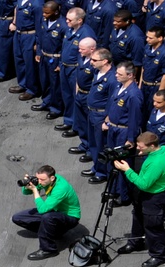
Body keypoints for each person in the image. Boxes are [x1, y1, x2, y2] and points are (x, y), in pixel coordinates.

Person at [113, 130, 165, 267]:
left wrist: (127, 170)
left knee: (153, 227)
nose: (138, 149)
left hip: (153, 197)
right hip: (147, 194)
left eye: (141, 147)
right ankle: (136, 242)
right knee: (138, 216)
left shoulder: (156, 163)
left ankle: (158, 255)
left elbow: (144, 184)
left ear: (152, 146)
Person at [11, 164, 82, 260]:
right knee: (18, 218)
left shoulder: (61, 188)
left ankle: (48, 249)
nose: (39, 182)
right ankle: (52, 232)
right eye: (37, 178)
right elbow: (26, 192)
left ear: (52, 178)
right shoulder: (46, 180)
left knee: (47, 217)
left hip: (69, 217)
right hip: (54, 211)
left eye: (42, 180)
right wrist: (27, 185)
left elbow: (42, 209)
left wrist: (35, 191)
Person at [102, 61, 144, 200]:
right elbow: (112, 104)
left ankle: (124, 195)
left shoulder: (134, 95)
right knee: (112, 160)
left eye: (120, 74)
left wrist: (131, 139)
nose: (116, 76)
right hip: (113, 128)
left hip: (124, 132)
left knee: (122, 163)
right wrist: (107, 119)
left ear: (130, 75)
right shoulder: (119, 86)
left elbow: (134, 118)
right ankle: (113, 189)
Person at [57, 8, 95, 132]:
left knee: (76, 97)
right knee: (67, 95)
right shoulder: (69, 29)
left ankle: (77, 126)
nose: (66, 21)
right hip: (65, 66)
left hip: (76, 69)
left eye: (70, 19)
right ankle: (69, 120)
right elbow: (64, 47)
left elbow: (88, 56)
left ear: (79, 20)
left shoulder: (86, 33)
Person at [82, 48, 117, 183]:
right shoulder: (97, 72)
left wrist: (107, 120)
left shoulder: (112, 79)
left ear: (105, 61)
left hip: (101, 115)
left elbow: (112, 101)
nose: (91, 62)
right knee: (93, 143)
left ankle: (102, 172)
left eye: (94, 60)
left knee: (101, 144)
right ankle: (96, 166)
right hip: (92, 112)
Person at [32, 2, 65, 118]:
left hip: (55, 58)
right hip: (44, 56)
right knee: (45, 81)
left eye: (47, 12)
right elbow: (40, 37)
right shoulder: (44, 20)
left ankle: (56, 108)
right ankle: (46, 102)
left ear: (56, 12)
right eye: (43, 12)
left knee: (55, 84)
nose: (44, 15)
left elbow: (64, 47)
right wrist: (38, 52)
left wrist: (61, 64)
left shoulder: (63, 26)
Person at [10, 0, 42, 101]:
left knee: (30, 64)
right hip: (19, 33)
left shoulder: (37, 4)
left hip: (30, 35)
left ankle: (32, 89)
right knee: (19, 59)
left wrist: (37, 43)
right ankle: (22, 84)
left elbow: (39, 25)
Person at [140, 28, 165, 119]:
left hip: (155, 87)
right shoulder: (147, 47)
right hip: (145, 85)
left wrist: (159, 94)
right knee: (142, 110)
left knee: (152, 110)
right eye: (147, 37)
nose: (147, 39)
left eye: (150, 38)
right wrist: (140, 85)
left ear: (160, 38)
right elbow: (143, 68)